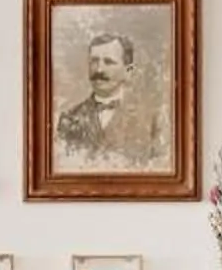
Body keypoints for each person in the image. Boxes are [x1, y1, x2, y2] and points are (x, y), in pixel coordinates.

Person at [55, 33, 160, 171]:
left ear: (128, 71)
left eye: (109, 62)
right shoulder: (69, 118)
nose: (99, 69)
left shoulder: (150, 118)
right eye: (94, 61)